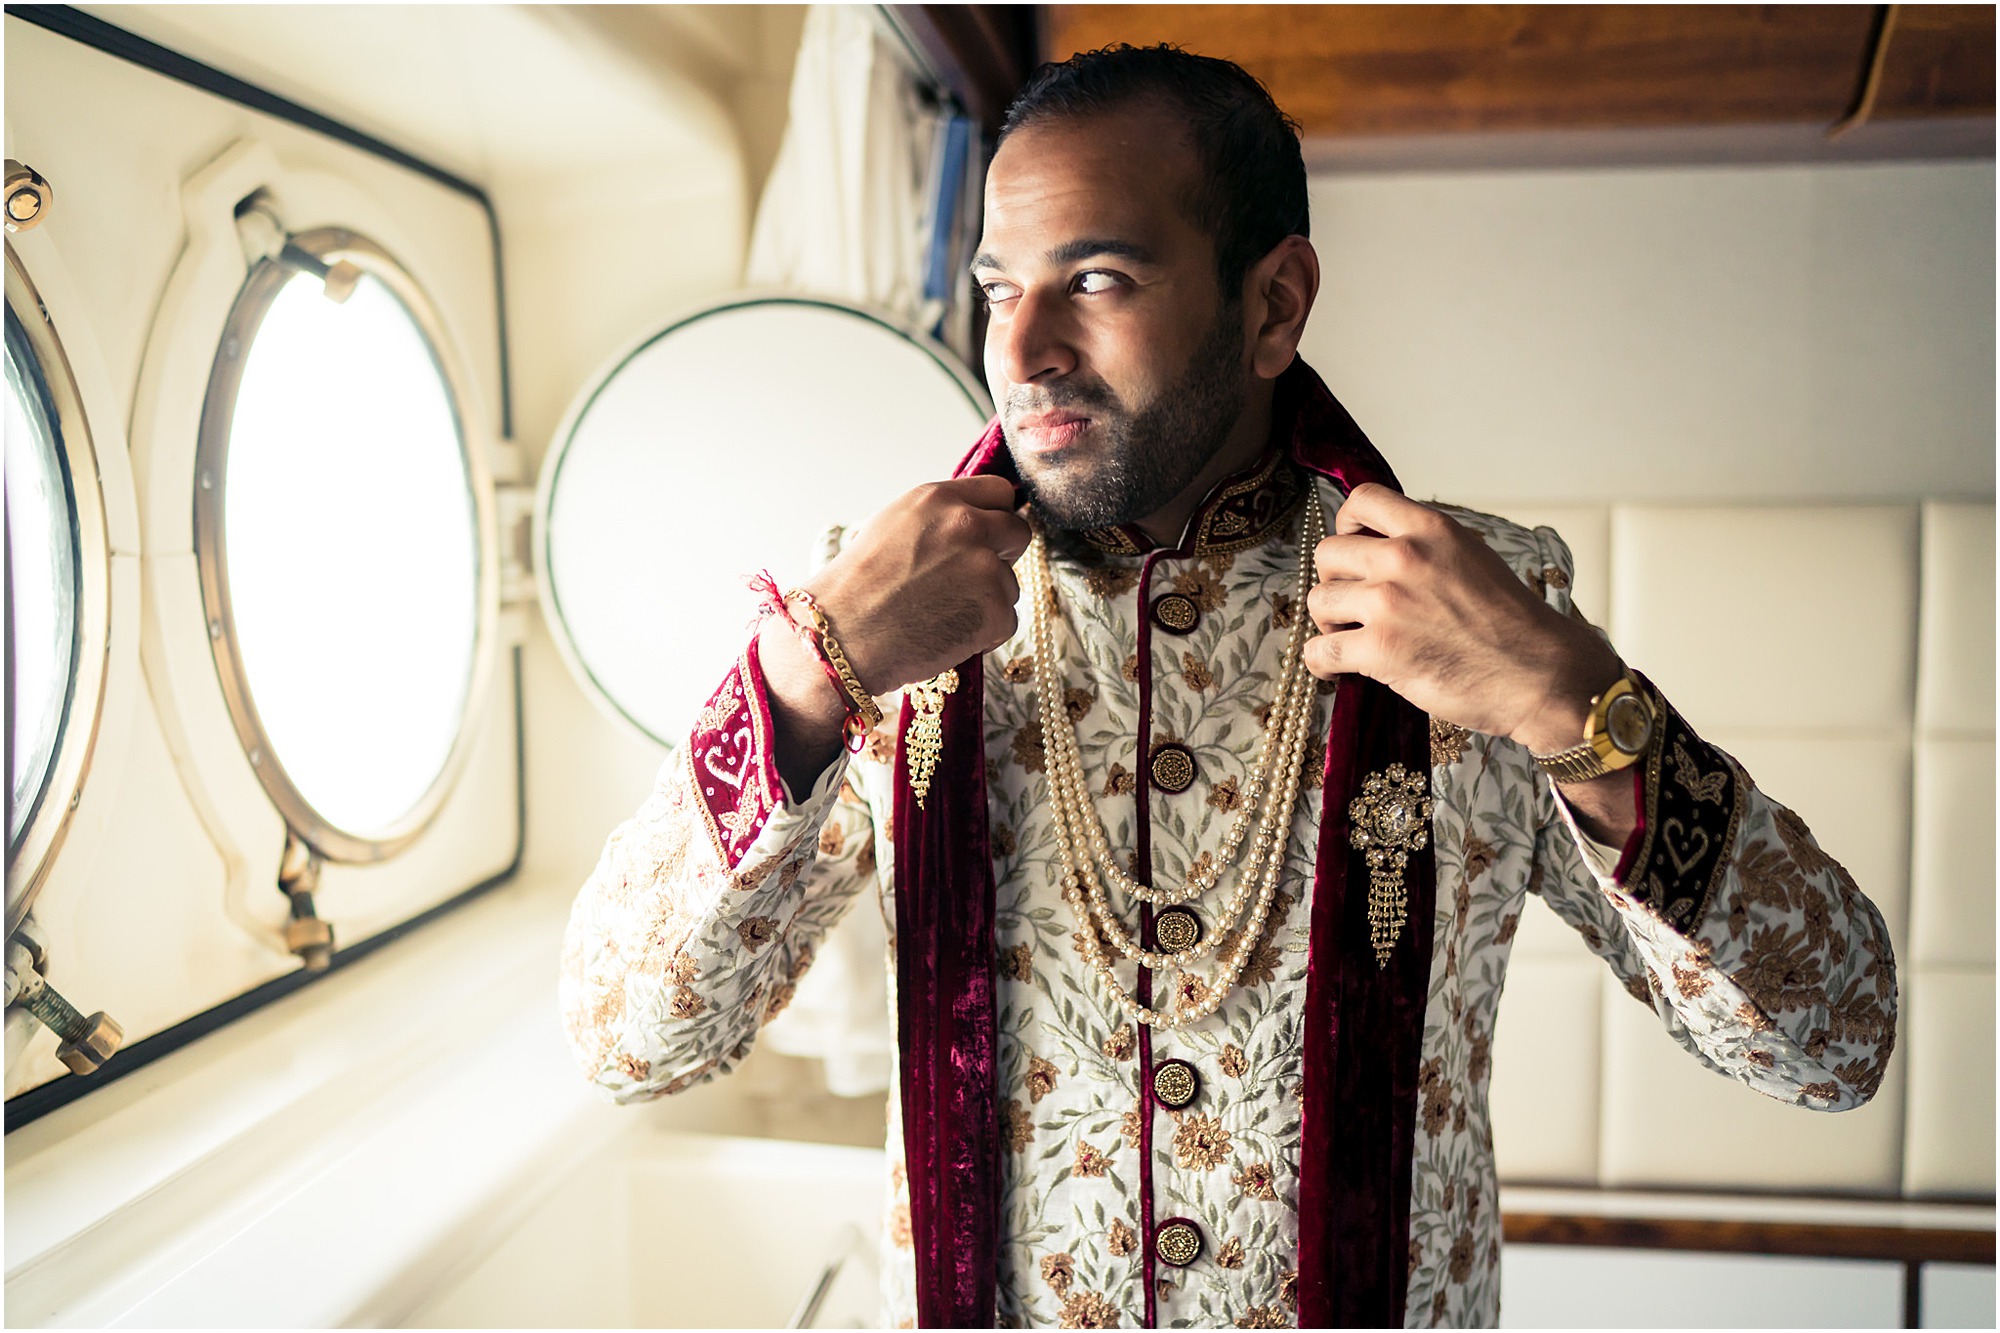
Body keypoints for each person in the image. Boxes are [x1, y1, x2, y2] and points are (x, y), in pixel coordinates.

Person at [559, 44, 1895, 1330]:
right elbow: (627, 1041)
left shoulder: (1479, 610)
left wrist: (1575, 705)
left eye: (1096, 277)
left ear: (1273, 306)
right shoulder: (880, 626)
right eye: (996, 284)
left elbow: (1833, 1047)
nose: (1020, 348)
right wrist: (805, 672)